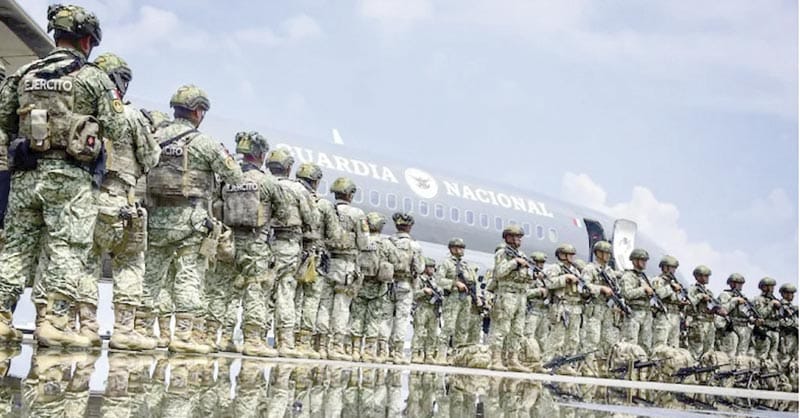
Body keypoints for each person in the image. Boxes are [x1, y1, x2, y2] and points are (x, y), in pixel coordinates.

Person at [0, 4, 127, 347]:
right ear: (87, 41)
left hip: (26, 176)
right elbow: (116, 127)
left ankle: (1, 316)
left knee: (16, 248)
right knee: (66, 248)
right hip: (72, 179)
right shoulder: (94, 78)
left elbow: (5, 121)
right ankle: (52, 321)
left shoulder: (23, 73)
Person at [141, 84, 242, 353]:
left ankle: (141, 330)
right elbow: (235, 177)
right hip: (190, 221)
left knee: (151, 276)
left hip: (156, 218)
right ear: (197, 112)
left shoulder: (154, 137)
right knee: (188, 276)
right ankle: (183, 336)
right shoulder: (204, 142)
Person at [222, 132, 285, 357]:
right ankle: (252, 341)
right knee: (255, 291)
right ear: (261, 155)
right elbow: (283, 213)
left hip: (228, 242)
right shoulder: (267, 182)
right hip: (255, 243)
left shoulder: (230, 178)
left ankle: (223, 337)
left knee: (228, 291)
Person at [266, 148, 317, 358]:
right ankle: (285, 342)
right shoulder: (298, 190)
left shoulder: (264, 183)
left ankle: (256, 338)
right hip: (288, 245)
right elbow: (311, 218)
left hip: (264, 243)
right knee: (285, 292)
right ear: (288, 168)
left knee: (264, 292)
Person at [317, 177, 368, 361]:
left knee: (324, 304)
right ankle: (337, 346)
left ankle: (320, 346)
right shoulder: (357, 214)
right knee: (342, 306)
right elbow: (364, 242)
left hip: (326, 263)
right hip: (346, 266)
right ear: (350, 195)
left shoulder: (326, 209)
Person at [293, 162, 341, 359]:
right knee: (312, 298)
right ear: (316, 181)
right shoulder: (323, 204)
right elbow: (335, 235)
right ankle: (303, 343)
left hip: (295, 252)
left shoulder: (291, 193)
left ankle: (287, 339)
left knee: (293, 296)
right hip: (315, 258)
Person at [349, 211, 399, 363]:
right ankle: (369, 352)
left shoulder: (361, 241)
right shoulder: (386, 244)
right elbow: (396, 261)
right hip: (378, 287)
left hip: (360, 284)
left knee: (357, 316)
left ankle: (355, 350)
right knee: (374, 319)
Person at [488, 225, 532, 372]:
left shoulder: (522, 254)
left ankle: (513, 359)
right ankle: (496, 359)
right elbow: (499, 272)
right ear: (507, 238)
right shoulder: (502, 253)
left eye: (519, 237)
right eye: (514, 236)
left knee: (517, 329)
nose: (517, 239)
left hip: (521, 295)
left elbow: (527, 277)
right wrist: (515, 263)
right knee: (502, 328)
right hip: (506, 294)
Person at [435, 238, 482, 365]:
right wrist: (454, 283)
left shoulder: (466, 265)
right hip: (453, 298)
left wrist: (478, 297)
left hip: (466, 299)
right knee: (449, 328)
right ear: (452, 249)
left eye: (462, 248)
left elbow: (474, 283)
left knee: (462, 329)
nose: (460, 250)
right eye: (458, 248)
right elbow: (439, 280)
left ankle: (457, 357)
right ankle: (441, 355)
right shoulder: (446, 263)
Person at [386, 212, 425, 364]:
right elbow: (420, 268)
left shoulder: (388, 242)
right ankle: (397, 353)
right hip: (405, 285)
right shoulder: (414, 245)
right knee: (401, 319)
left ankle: (382, 351)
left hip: (388, 284)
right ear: (409, 227)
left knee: (386, 317)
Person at [579, 241, 616, 374]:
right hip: (594, 308)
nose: (608, 256)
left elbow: (615, 288)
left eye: (609, 253)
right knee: (592, 340)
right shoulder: (590, 269)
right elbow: (583, 287)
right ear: (598, 253)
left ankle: (603, 367)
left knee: (608, 340)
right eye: (606, 253)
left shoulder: (610, 271)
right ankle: (588, 368)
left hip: (607, 309)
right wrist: (600, 289)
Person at [686, 265, 727, 359]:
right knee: (696, 351)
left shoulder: (709, 292)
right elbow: (688, 305)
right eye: (705, 275)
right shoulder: (692, 290)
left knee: (708, 353)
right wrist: (700, 297)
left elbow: (711, 308)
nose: (707, 278)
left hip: (709, 323)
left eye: (707, 276)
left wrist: (719, 310)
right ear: (698, 276)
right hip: (698, 323)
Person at [619, 248, 655, 353]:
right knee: (630, 345)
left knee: (645, 345)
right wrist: (643, 290)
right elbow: (627, 294)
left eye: (645, 260)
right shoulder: (628, 276)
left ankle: (643, 362)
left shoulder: (645, 277)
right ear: (635, 261)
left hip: (646, 313)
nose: (644, 263)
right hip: (634, 313)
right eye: (642, 260)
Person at [650, 255, 687, 348]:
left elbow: (677, 299)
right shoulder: (657, 280)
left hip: (675, 315)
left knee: (674, 345)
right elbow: (659, 294)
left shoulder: (674, 282)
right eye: (672, 267)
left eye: (675, 268)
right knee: (660, 344)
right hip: (663, 316)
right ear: (665, 267)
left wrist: (682, 303)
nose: (674, 270)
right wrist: (671, 287)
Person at [718, 273, 757, 358]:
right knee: (730, 354)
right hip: (732, 327)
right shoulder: (725, 295)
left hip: (744, 328)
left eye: (741, 283)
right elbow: (722, 310)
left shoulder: (743, 297)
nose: (740, 285)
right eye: (738, 283)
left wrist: (752, 319)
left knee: (742, 355)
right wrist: (734, 301)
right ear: (731, 283)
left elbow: (747, 313)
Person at [411, 257, 440, 364]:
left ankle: (429, 354)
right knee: (419, 332)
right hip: (422, 308)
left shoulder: (435, 280)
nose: (432, 269)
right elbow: (414, 294)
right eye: (429, 267)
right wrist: (424, 291)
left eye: (433, 267)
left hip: (433, 309)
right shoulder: (419, 280)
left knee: (432, 333)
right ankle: (416, 354)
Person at [753, 277, 782, 364]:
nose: (771, 289)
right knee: (762, 356)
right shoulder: (758, 299)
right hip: (764, 331)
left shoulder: (775, 300)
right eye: (769, 286)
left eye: (772, 286)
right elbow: (761, 314)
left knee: (773, 356)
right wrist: (771, 304)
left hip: (775, 331)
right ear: (763, 287)